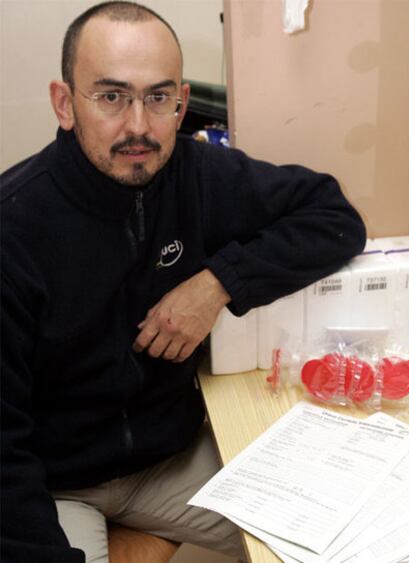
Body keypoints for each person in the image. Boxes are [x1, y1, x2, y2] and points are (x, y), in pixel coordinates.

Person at [0, 2, 366, 562]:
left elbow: (334, 218)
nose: (139, 127)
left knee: (340, 536)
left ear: (182, 103)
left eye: (158, 97)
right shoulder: (15, 227)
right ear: (65, 103)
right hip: (57, 483)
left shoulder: (197, 175)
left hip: (172, 456)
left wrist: (219, 282)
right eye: (111, 96)